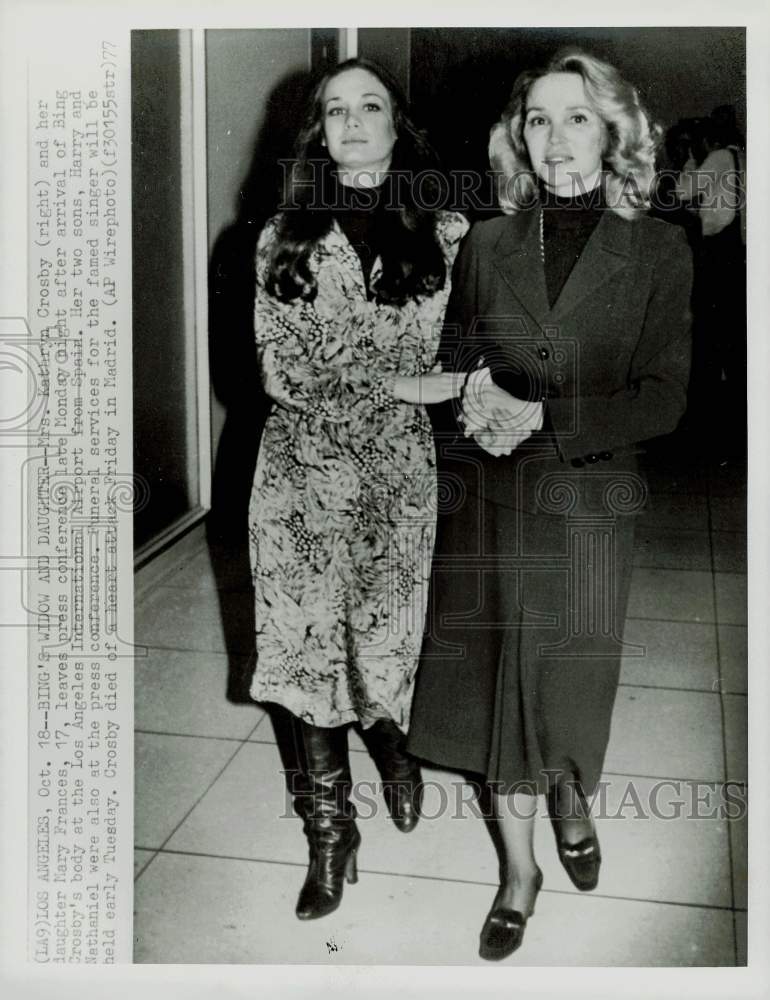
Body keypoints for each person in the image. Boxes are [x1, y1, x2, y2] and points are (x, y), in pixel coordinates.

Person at [407, 47, 693, 960]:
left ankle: (572, 796)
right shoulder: (487, 242)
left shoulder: (657, 249)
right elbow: (458, 356)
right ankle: (519, 873)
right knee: (497, 692)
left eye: (576, 117)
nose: (556, 136)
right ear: (516, 139)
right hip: (490, 496)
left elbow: (665, 396)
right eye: (538, 119)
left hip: (587, 504)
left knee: (567, 686)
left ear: (612, 131)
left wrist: (549, 416)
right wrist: (474, 403)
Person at [248, 57, 468, 921]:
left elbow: (473, 346)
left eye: (368, 104)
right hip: (301, 479)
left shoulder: (444, 231)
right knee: (306, 657)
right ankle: (331, 834)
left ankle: (398, 752)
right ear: (318, 133)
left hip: (400, 481)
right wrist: (408, 386)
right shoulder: (282, 236)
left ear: (395, 124)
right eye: (333, 109)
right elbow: (282, 369)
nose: (351, 120)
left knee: (385, 643)